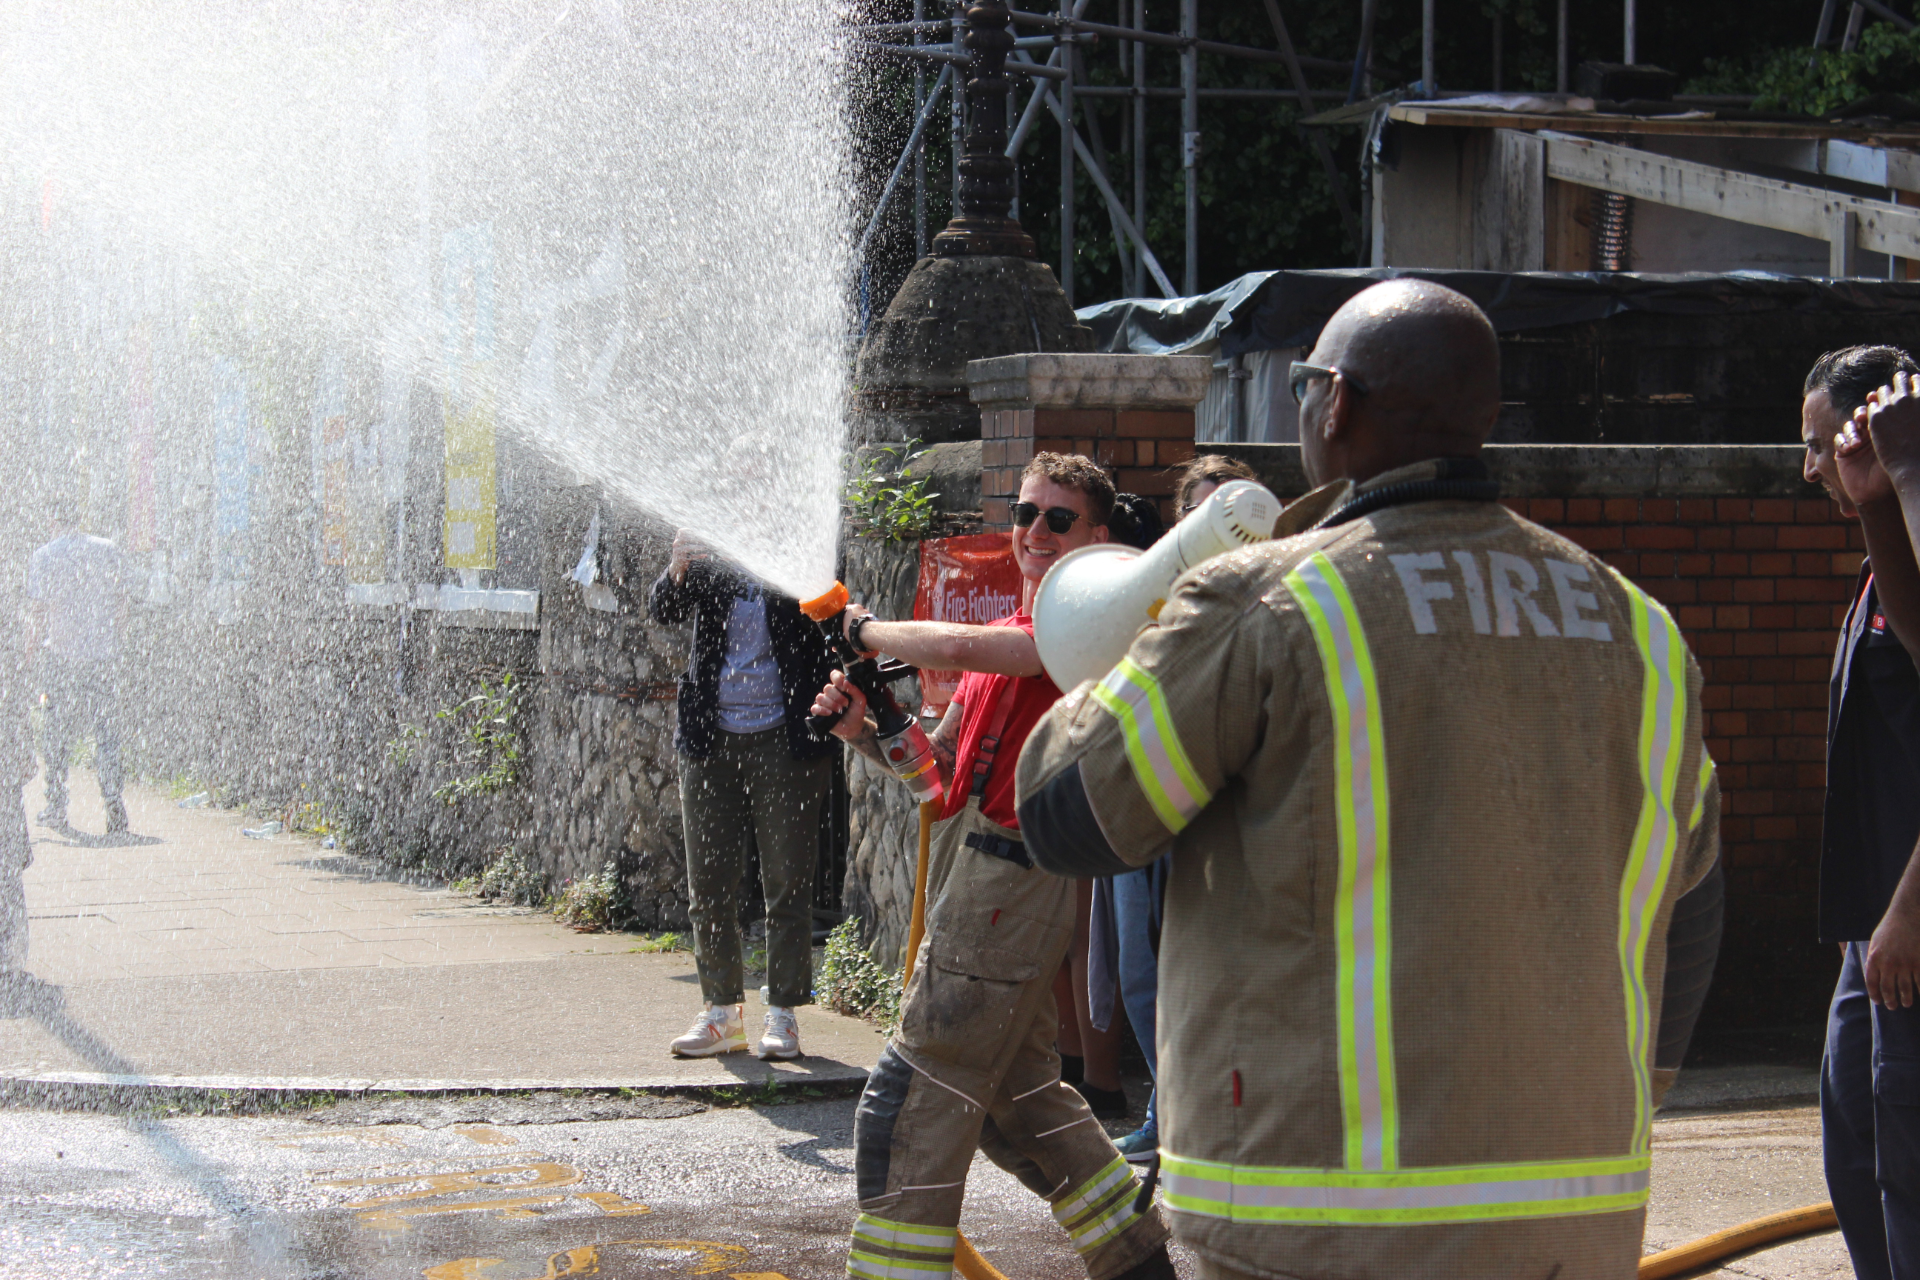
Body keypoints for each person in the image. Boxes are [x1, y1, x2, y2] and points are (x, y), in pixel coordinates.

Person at [1016, 280, 1723, 1280]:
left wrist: (1138, 631)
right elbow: (1696, 896)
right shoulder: (1642, 631)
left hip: (1320, 1222)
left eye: (1305, 387)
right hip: (1578, 1223)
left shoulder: (1267, 603)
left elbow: (1063, 811)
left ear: (1335, 402)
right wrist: (1638, 1087)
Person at [813, 451, 1174, 1280]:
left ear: (1098, 538)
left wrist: (867, 631)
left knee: (906, 1111)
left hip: (1012, 884)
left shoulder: (1084, 628)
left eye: (1058, 518)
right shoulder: (1007, 639)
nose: (1034, 532)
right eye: (1024, 513)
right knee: (1021, 1109)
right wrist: (869, 729)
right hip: (980, 879)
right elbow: (937, 780)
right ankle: (1140, 1265)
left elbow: (962, 642)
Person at [1100, 453, 1265, 1165]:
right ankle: (1166, 1107)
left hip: (1223, 820)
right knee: (1139, 968)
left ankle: (1207, 1121)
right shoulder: (1143, 596)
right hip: (1149, 800)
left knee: (1213, 977)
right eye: (1202, 513)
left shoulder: (1275, 600)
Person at [1804, 347, 1920, 1280]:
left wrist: (1908, 911)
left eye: (1824, 443)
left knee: (1907, 1154)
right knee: (1856, 1136)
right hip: (1869, 932)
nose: (1812, 467)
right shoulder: (1882, 571)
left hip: (1906, 927)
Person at [649, 526, 839, 1061]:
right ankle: (721, 1015)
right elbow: (663, 608)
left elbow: (832, 621)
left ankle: (784, 1014)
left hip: (787, 738)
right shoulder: (708, 552)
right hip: (709, 739)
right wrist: (676, 569)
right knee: (708, 881)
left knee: (788, 880)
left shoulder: (802, 548)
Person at [26, 503, 128, 834]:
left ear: (53, 518)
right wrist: (118, 642)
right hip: (102, 654)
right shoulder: (106, 549)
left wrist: (29, 657)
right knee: (107, 730)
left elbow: (40, 611)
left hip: (61, 654)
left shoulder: (44, 556)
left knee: (56, 731)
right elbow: (121, 600)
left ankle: (56, 805)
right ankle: (113, 800)